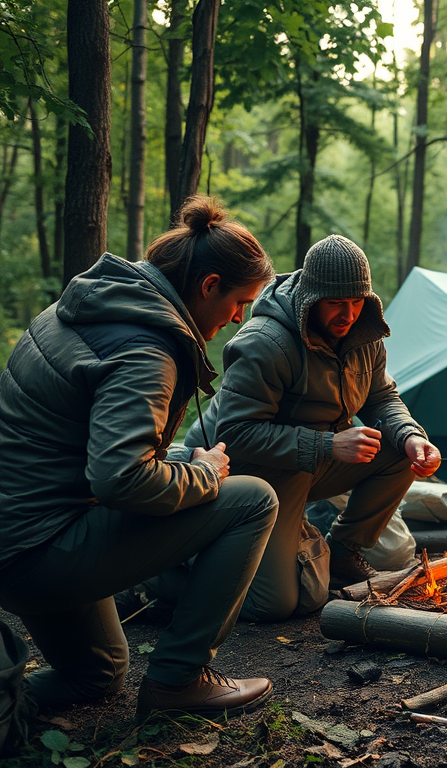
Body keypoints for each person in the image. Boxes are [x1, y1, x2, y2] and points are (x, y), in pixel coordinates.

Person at [0, 197, 280, 721]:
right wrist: (201, 473)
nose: (240, 317)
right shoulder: (146, 349)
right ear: (208, 285)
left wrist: (177, 457)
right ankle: (180, 680)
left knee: (98, 673)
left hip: (19, 536)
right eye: (240, 302)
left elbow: (85, 446)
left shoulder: (94, 306)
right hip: (37, 552)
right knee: (252, 500)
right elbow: (119, 478)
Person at [150, 234, 441, 623]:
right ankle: (159, 575)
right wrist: (328, 444)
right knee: (275, 605)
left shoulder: (364, 335)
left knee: (402, 454)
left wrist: (412, 436)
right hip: (251, 471)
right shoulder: (264, 343)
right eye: (336, 303)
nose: (349, 314)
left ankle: (343, 549)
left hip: (313, 460)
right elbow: (236, 434)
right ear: (311, 300)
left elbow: (382, 398)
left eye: (357, 302)